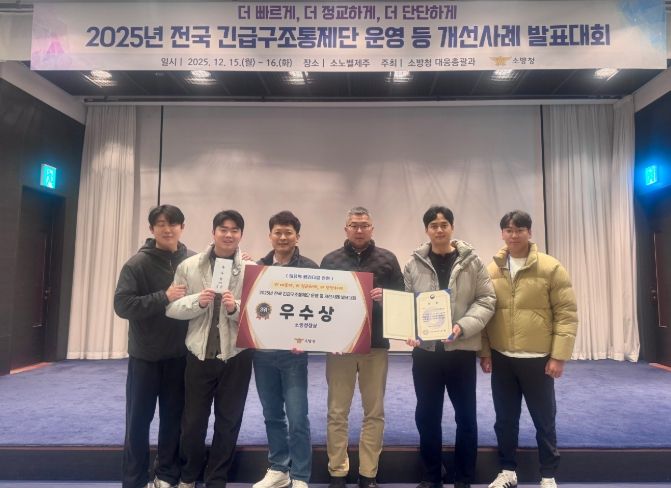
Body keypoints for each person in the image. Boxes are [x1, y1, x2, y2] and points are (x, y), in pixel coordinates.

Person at [480, 210, 578, 488]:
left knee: (544, 420)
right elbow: (485, 314)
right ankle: (507, 471)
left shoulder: (550, 267)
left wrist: (559, 356)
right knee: (504, 420)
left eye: (519, 230)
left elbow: (566, 313)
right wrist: (485, 352)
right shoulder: (492, 270)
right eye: (509, 230)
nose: (514, 235)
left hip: (538, 359)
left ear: (529, 232)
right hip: (502, 359)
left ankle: (548, 475)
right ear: (502, 233)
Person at [403, 206, 496, 488]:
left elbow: (486, 300)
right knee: (427, 417)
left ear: (452, 228)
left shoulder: (472, 262)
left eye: (444, 224)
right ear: (427, 230)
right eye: (433, 225)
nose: (439, 229)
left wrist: (462, 326)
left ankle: (464, 478)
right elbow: (406, 304)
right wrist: (410, 331)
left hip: (461, 351)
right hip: (426, 354)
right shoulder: (413, 264)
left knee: (466, 418)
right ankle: (431, 476)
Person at [166, 209, 256, 488]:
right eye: (223, 229)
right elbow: (171, 308)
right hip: (199, 355)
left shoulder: (251, 270)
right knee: (193, 422)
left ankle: (216, 479)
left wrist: (234, 308)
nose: (228, 235)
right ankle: (189, 475)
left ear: (241, 235)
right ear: (213, 232)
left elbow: (260, 313)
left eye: (234, 230)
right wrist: (198, 302)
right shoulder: (189, 266)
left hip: (236, 356)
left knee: (228, 422)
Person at [320, 206, 404, 488]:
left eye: (364, 225)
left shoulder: (388, 259)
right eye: (354, 225)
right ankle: (337, 472)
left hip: (376, 345)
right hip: (340, 347)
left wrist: (387, 297)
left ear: (372, 228)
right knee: (337, 412)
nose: (359, 230)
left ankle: (369, 473)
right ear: (346, 229)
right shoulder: (330, 260)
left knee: (374, 412)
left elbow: (403, 299)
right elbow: (320, 303)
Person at [114, 204, 193, 488]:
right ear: (151, 229)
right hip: (145, 357)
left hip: (180, 357)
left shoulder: (193, 261)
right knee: (138, 422)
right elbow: (122, 305)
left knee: (173, 421)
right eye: (161, 224)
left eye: (173, 223)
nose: (167, 229)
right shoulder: (137, 264)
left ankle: (166, 475)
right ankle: (134, 480)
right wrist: (164, 296)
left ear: (182, 227)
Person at [253, 211, 319, 488]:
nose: (282, 237)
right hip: (263, 353)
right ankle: (279, 468)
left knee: (297, 416)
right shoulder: (257, 269)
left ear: (297, 237)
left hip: (294, 355)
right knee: (272, 415)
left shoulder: (311, 268)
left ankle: (301, 475)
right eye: (277, 232)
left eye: (288, 232)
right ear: (270, 236)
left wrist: (312, 339)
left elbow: (317, 310)